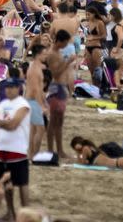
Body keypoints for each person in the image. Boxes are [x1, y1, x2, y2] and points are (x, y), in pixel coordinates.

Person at [0, 78, 31, 220]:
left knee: (22, 184)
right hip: (2, 148)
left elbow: (13, 124)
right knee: (6, 183)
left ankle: (26, 214)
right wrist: (4, 123)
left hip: (18, 148)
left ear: (18, 88)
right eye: (7, 87)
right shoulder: (3, 103)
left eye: (12, 87)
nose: (8, 90)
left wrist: (0, 123)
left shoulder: (23, 104)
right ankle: (10, 212)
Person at [45, 29, 76, 158]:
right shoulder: (52, 54)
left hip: (60, 87)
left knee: (59, 121)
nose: (66, 45)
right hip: (55, 87)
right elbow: (54, 73)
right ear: (60, 41)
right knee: (53, 121)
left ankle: (59, 150)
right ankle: (51, 150)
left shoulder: (57, 52)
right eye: (65, 43)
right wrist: (67, 61)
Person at [25, 44, 48, 158]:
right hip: (33, 101)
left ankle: (31, 154)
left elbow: (39, 88)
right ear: (38, 54)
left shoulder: (37, 67)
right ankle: (34, 154)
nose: (46, 55)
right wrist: (41, 106)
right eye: (44, 53)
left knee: (33, 130)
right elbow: (35, 90)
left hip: (33, 101)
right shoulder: (34, 69)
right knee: (40, 129)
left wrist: (44, 102)